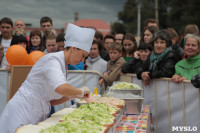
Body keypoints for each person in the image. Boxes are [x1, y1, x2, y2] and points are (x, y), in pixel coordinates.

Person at [0, 23, 95, 133]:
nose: (83, 60)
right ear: (73, 49)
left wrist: (72, 95)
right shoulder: (53, 60)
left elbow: (50, 100)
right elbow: (61, 88)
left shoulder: (63, 65)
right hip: (21, 112)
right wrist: (81, 91)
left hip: (35, 114)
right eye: (83, 55)